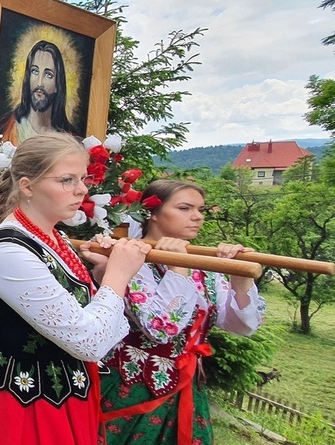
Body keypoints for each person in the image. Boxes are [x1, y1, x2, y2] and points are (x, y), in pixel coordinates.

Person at [0, 133, 152, 445]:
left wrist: (102, 277)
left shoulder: (51, 236)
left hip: (60, 390)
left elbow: (75, 311)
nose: (82, 189)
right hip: (24, 402)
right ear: (27, 185)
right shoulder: (9, 250)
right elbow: (87, 341)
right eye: (67, 179)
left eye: (83, 178)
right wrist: (118, 276)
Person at [99, 180, 267, 445]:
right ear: (152, 212)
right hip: (131, 385)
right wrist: (178, 269)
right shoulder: (129, 258)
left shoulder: (204, 266)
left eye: (200, 209)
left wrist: (240, 276)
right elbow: (160, 329)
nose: (197, 217)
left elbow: (243, 327)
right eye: (185, 208)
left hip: (187, 387)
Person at [0, 40, 75, 145]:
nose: (39, 83)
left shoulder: (69, 141)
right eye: (35, 71)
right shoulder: (5, 127)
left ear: (57, 85)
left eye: (48, 74)